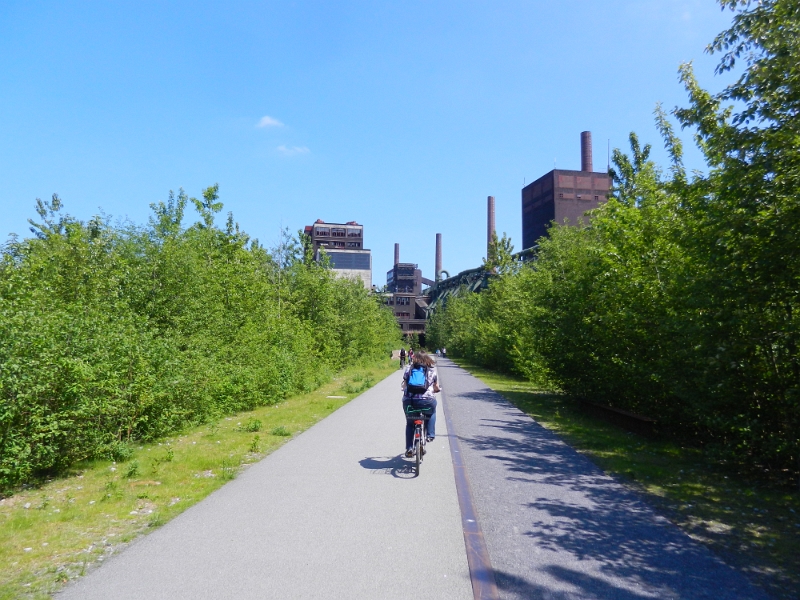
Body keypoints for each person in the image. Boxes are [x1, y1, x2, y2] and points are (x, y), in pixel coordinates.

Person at [401, 351, 440, 457]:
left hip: (410, 401)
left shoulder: (409, 369)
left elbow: (404, 385)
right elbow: (436, 387)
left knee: (410, 423)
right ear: (427, 359)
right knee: (431, 412)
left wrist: (404, 389)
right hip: (427, 401)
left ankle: (409, 448)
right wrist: (436, 390)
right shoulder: (432, 370)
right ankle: (430, 435)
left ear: (415, 359)